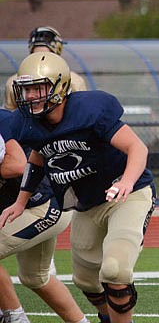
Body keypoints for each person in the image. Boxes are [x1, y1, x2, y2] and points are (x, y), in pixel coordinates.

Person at [0, 51, 156, 323]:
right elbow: (38, 156)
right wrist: (21, 201)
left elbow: (137, 147)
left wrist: (127, 182)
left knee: (115, 269)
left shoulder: (89, 109)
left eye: (39, 88)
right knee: (85, 280)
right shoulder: (29, 123)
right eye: (27, 90)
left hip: (126, 195)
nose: (32, 96)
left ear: (59, 86)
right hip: (87, 203)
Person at [3, 26, 88, 279]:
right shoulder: (74, 78)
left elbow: (12, 126)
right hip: (58, 152)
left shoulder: (14, 80)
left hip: (33, 153)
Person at [0, 110, 90, 323]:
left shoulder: (3, 122)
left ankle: (15, 319)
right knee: (35, 277)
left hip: (43, 204)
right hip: (26, 207)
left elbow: (18, 165)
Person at [3, 26, 88, 110]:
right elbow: (10, 116)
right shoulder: (14, 82)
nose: (41, 60)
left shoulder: (74, 81)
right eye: (28, 89)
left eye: (45, 56)